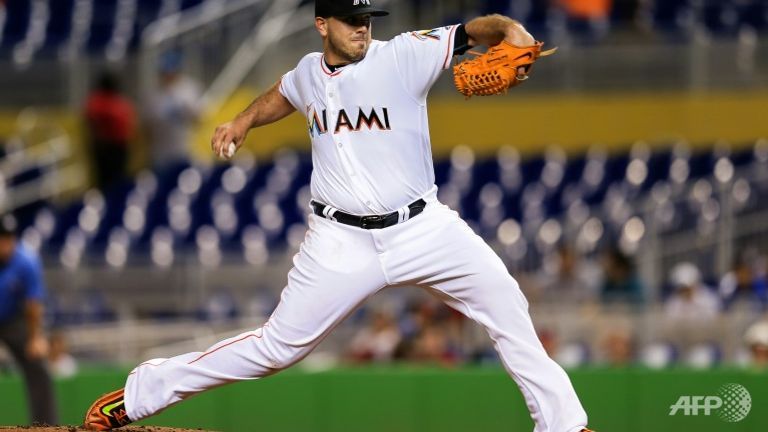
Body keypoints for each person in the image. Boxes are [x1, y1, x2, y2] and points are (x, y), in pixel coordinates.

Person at [84, 2, 592, 431]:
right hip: (340, 239)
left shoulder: (402, 55)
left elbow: (472, 31)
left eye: (367, 18)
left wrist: (510, 32)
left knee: (505, 302)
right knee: (276, 349)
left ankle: (564, 423)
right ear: (322, 24)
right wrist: (242, 119)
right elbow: (282, 94)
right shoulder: (308, 71)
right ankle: (139, 395)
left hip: (423, 228)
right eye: (350, 19)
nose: (362, 27)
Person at [0, 216, 58, 425]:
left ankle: (45, 426)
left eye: (8, 238)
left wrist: (36, 338)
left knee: (37, 364)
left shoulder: (26, 260)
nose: (5, 244)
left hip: (14, 319)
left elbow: (33, 304)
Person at [143, 51, 202, 170]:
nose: (168, 75)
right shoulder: (152, 94)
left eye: (171, 72)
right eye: (165, 72)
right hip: (161, 153)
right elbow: (147, 125)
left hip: (184, 149)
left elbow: (199, 117)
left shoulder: (189, 89)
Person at [84, 70, 137, 191]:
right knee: (105, 181)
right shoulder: (98, 102)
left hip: (117, 146)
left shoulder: (118, 102)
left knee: (117, 180)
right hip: (104, 147)